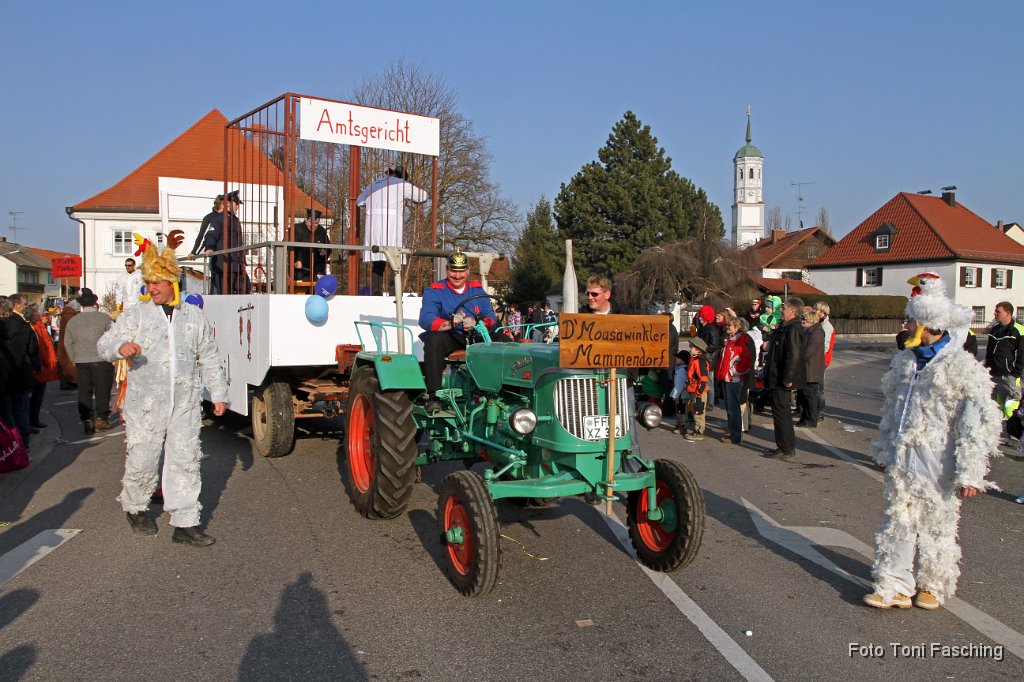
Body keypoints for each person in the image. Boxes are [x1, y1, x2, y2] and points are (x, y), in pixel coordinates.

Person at [863, 274, 1000, 610]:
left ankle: (933, 585)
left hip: (939, 460)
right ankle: (894, 585)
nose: (905, 324)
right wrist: (883, 449)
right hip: (903, 456)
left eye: (910, 319)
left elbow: (977, 422)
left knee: (937, 523)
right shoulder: (905, 363)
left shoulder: (960, 366)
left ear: (927, 324)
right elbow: (892, 411)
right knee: (899, 518)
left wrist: (970, 470)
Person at [97, 234, 228, 546]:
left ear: (172, 282)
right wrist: (120, 346)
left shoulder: (193, 316)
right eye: (149, 281)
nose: (151, 287)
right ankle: (135, 506)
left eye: (157, 282)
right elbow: (104, 343)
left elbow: (208, 356)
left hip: (184, 400)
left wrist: (219, 393)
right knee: (143, 455)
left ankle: (185, 522)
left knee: (185, 458)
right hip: (146, 402)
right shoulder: (136, 314)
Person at [419, 249, 499, 414]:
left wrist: (477, 322)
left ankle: (503, 390)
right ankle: (434, 395)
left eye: (461, 271)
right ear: (447, 270)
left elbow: (491, 316)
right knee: (434, 340)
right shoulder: (435, 290)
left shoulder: (477, 290)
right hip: (451, 337)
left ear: (468, 271)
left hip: (475, 335)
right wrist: (450, 322)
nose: (457, 276)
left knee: (504, 339)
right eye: (453, 271)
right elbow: (426, 319)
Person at [357, 164, 428, 296]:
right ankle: (393, 293)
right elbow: (423, 196)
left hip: (373, 230)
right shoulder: (400, 184)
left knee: (377, 263)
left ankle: (376, 294)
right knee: (394, 262)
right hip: (391, 228)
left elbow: (359, 202)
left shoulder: (374, 184)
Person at [63, 288, 115, 434]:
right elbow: (113, 337)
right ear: (94, 303)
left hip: (81, 360)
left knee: (84, 391)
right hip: (101, 359)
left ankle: (87, 419)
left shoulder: (73, 321)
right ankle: (102, 419)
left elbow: (68, 341)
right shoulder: (104, 318)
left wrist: (74, 358)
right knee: (102, 390)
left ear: (81, 305)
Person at [763, 297, 806, 460]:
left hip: (782, 378)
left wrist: (788, 377)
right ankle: (783, 446)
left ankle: (786, 448)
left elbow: (794, 355)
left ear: (792, 312)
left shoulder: (793, 329)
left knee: (782, 413)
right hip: (777, 375)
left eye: (784, 308)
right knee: (779, 412)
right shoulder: (786, 327)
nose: (781, 310)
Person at [0, 294, 40, 444]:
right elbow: (33, 349)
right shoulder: (25, 327)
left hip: (5, 373)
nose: (25, 306)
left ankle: (11, 442)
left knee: (7, 409)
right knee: (21, 408)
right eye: (24, 304)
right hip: (22, 371)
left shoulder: (3, 327)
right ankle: (24, 441)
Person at [983, 301, 1024, 436]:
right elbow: (989, 351)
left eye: (997, 311)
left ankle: (1014, 433)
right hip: (992, 374)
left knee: (1012, 405)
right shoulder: (995, 329)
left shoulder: (1018, 330)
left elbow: (1022, 354)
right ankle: (995, 433)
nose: (995, 313)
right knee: (994, 406)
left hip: (1008, 375)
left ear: (1008, 313)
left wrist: (1015, 373)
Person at [202, 190, 250, 295]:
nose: (238, 206)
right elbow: (211, 234)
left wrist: (242, 259)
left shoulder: (235, 220)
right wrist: (209, 247)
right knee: (225, 293)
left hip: (236, 263)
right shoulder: (218, 219)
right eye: (236, 203)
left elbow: (238, 242)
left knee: (245, 287)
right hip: (223, 264)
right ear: (228, 204)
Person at [715, 316, 752, 444]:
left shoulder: (740, 342)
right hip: (726, 378)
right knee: (729, 407)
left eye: (729, 326)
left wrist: (733, 372)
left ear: (737, 328)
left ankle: (736, 435)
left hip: (733, 380)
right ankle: (732, 431)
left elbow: (746, 362)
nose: (727, 327)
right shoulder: (729, 341)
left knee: (733, 407)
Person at [29, 307, 57, 431]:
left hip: (43, 365)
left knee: (38, 396)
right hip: (39, 366)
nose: (39, 314)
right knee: (35, 396)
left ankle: (34, 419)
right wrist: (44, 362)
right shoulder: (34, 328)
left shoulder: (40, 327)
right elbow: (39, 348)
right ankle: (32, 420)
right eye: (36, 312)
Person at [677, 337, 710, 442]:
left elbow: (703, 378)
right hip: (693, 389)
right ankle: (695, 429)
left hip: (698, 391)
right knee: (694, 410)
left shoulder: (699, 361)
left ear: (698, 350)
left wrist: (699, 392)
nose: (690, 348)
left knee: (698, 411)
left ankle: (699, 432)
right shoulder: (694, 360)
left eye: (692, 347)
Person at [796, 308, 824, 428]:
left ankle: (811, 420)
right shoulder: (810, 330)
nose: (802, 321)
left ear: (811, 321)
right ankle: (804, 418)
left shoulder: (816, 332)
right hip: (807, 369)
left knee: (810, 396)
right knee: (804, 395)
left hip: (811, 370)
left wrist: (797, 357)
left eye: (804, 319)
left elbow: (810, 351)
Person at [291, 209, 329, 282]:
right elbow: (286, 248)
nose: (313, 225)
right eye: (311, 222)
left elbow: (327, 249)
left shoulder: (322, 231)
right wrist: (294, 261)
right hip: (298, 271)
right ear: (307, 220)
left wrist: (323, 253)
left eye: (316, 223)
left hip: (316, 270)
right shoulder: (296, 229)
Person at [812, 301, 836, 423]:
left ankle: (820, 412)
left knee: (818, 387)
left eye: (817, 310)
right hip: (816, 359)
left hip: (821, 360)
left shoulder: (826, 326)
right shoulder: (818, 324)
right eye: (815, 309)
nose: (815, 311)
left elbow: (825, 347)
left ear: (823, 313)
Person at [187, 195, 223, 259]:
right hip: (214, 253)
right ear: (220, 204)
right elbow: (201, 235)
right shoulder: (209, 217)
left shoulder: (230, 217)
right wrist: (194, 251)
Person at [56, 299, 79, 389]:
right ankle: (68, 382)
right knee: (68, 363)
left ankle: (68, 381)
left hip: (64, 341)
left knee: (66, 362)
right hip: (68, 341)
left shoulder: (67, 314)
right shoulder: (69, 316)